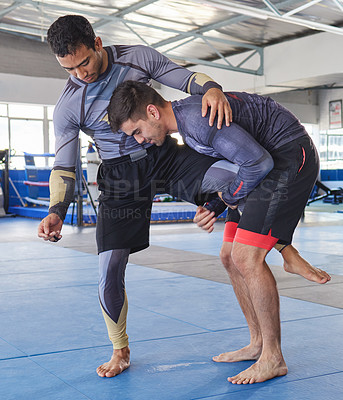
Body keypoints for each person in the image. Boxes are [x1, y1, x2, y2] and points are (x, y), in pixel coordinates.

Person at [37, 14, 236, 379]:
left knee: (234, 176)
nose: (80, 73)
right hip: (119, 177)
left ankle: (234, 216)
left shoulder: (137, 57)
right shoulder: (69, 105)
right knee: (109, 268)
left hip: (163, 152)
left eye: (83, 62)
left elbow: (186, 77)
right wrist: (56, 211)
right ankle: (120, 348)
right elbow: (64, 166)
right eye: (69, 68)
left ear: (97, 43)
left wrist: (212, 87)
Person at [107, 80, 331, 384]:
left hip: (290, 158)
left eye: (137, 131)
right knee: (229, 256)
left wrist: (229, 196)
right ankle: (257, 343)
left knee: (246, 257)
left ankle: (274, 358)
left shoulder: (196, 122)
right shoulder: (188, 124)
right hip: (268, 163)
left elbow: (257, 162)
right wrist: (215, 203)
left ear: (152, 112)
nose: (139, 140)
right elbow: (237, 160)